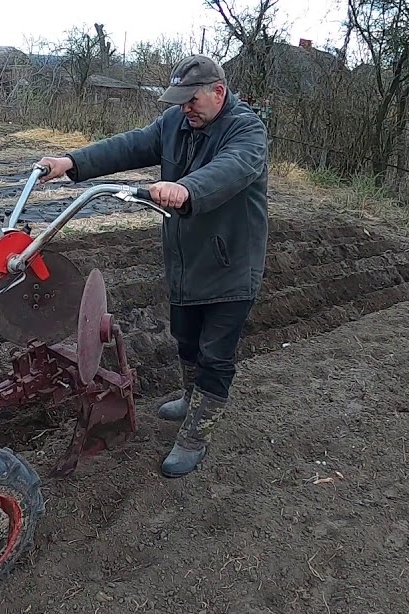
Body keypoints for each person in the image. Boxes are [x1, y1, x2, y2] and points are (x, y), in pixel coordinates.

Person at [36, 55, 269, 478]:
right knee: (185, 338)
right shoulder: (175, 124)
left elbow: (230, 169)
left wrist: (183, 187)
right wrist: (72, 162)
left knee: (215, 355)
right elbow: (130, 144)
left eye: (192, 100)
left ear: (218, 93)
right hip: (186, 260)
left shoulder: (247, 129)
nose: (185, 108)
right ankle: (189, 395)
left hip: (231, 263)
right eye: (179, 101)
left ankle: (196, 435)